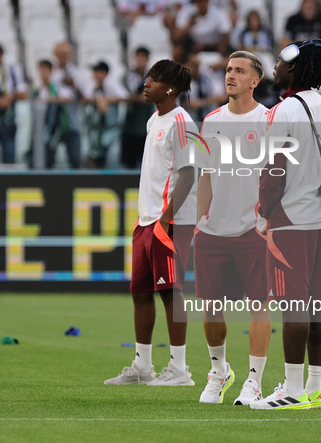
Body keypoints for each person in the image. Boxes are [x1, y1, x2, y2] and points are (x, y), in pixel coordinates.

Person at [250, 39, 321, 411]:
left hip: (289, 216)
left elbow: (272, 172)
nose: (276, 67)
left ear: (296, 70)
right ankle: (315, 387)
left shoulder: (284, 110)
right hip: (319, 215)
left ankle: (292, 389)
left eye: (283, 62)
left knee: (292, 306)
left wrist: (264, 213)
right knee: (315, 302)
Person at [104, 59, 197, 386]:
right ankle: (143, 367)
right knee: (140, 292)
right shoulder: (154, 120)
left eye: (154, 79)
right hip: (147, 221)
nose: (146, 83)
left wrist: (166, 220)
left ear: (170, 88)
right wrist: (148, 220)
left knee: (171, 291)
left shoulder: (182, 122)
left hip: (170, 222)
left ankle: (180, 369)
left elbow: (188, 174)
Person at [195, 51, 271, 405]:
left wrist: (270, 225)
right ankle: (219, 371)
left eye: (239, 71)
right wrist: (199, 222)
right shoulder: (211, 121)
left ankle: (254, 381)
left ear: (255, 81)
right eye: (228, 70)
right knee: (210, 307)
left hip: (253, 231)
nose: (230, 75)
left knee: (260, 306)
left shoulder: (269, 120)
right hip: (213, 232)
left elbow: (279, 178)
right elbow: (205, 175)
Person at [33, 60, 81, 169]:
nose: (43, 74)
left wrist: (51, 99)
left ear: (51, 71)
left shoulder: (59, 86)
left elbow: (68, 97)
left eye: (46, 70)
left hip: (66, 127)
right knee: (47, 160)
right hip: (49, 130)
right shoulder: (39, 90)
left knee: (74, 159)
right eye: (41, 71)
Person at [84, 61, 129, 168]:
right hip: (95, 129)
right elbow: (85, 98)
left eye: (97, 71)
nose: (94, 74)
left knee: (110, 160)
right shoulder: (93, 85)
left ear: (104, 73)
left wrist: (106, 100)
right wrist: (98, 100)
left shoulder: (111, 83)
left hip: (110, 128)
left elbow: (125, 96)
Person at [121, 47, 156, 169]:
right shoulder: (128, 76)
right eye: (138, 57)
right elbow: (124, 94)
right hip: (130, 123)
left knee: (146, 164)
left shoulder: (153, 77)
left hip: (147, 124)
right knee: (128, 163)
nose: (140, 61)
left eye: (143, 57)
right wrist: (138, 98)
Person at [182, 53, 226, 122]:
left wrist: (202, 102)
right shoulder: (182, 79)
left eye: (197, 66)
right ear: (185, 65)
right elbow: (188, 104)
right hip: (191, 117)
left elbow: (222, 97)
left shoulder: (205, 74)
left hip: (207, 113)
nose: (196, 69)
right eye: (193, 66)